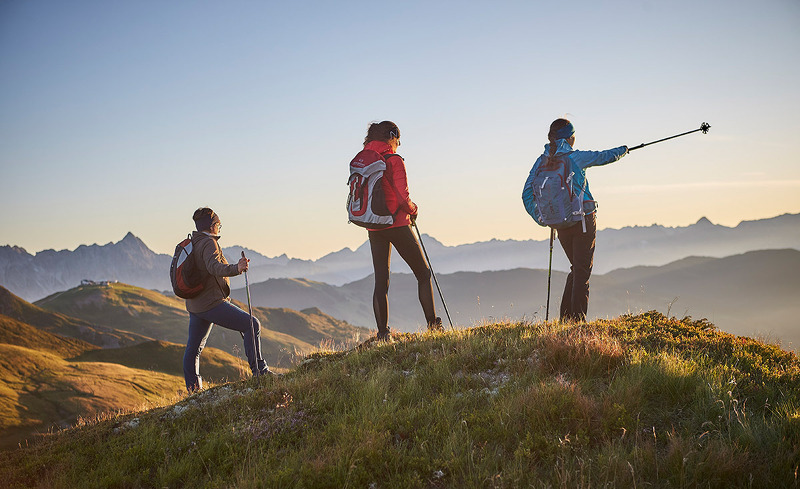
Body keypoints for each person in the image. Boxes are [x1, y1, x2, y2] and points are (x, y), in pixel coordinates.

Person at [523, 119, 628, 322]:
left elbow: (526, 193)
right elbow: (605, 156)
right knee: (582, 272)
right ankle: (577, 324)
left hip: (559, 224)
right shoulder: (575, 158)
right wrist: (624, 149)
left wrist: (542, 218)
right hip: (582, 221)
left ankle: (566, 320)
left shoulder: (540, 161)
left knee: (576, 269)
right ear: (570, 138)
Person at [357, 121, 442, 341]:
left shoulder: (365, 159)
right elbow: (402, 196)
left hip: (374, 225)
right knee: (423, 273)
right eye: (398, 139)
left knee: (381, 281)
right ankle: (433, 326)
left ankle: (383, 334)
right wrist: (414, 209)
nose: (399, 144)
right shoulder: (393, 160)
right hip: (396, 224)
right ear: (392, 136)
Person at [182, 207, 272, 392]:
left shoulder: (195, 242)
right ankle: (260, 372)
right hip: (211, 303)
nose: (220, 228)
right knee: (251, 324)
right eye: (219, 225)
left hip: (196, 305)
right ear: (213, 225)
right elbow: (214, 266)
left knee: (194, 349)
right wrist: (236, 268)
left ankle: (193, 389)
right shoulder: (208, 243)